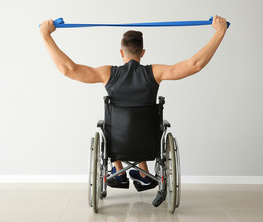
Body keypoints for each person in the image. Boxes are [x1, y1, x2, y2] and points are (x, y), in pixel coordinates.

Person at [39, 15, 228, 190]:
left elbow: (69, 70)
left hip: (118, 142)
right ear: (143, 52)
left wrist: (46, 36)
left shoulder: (108, 74)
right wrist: (219, 32)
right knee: (138, 124)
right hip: (148, 141)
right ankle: (142, 172)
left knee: (112, 123)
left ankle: (118, 171)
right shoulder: (155, 72)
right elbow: (195, 65)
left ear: (121, 52)